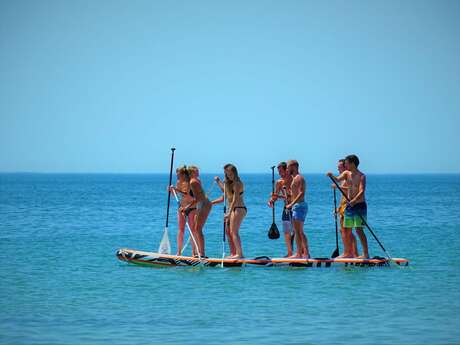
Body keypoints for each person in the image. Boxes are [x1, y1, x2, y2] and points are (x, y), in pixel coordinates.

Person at [327, 154, 369, 258]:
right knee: (346, 229)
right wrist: (331, 175)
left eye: (346, 163)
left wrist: (354, 200)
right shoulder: (346, 173)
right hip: (350, 206)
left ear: (352, 163)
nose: (345, 165)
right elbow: (337, 179)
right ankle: (347, 253)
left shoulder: (361, 176)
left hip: (359, 205)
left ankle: (366, 254)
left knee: (359, 230)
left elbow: (362, 191)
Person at [212, 164, 246, 258]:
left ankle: (240, 254)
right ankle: (233, 253)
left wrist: (228, 213)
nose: (228, 176)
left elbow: (235, 200)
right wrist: (219, 181)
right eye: (227, 174)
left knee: (234, 232)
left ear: (234, 173)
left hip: (238, 208)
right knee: (229, 232)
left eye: (230, 174)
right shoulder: (229, 183)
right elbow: (225, 193)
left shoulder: (237, 183)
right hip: (232, 209)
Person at [180, 165, 211, 257]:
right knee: (196, 229)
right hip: (202, 204)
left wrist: (187, 208)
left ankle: (202, 253)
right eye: (195, 171)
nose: (198, 172)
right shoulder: (195, 181)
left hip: (204, 205)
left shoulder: (193, 182)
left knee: (198, 229)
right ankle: (199, 252)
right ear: (191, 173)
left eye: (198, 170)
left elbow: (198, 198)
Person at [268, 162, 294, 257]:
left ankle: (302, 252)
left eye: (281, 171)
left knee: (296, 231)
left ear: (286, 170)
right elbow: (275, 196)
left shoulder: (293, 179)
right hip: (286, 208)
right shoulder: (279, 182)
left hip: (294, 207)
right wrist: (271, 200)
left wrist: (278, 196)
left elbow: (293, 195)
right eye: (278, 171)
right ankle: (290, 252)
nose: (279, 173)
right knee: (286, 231)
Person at [169, 166, 197, 256]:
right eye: (176, 174)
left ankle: (194, 252)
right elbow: (176, 195)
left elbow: (187, 195)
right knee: (181, 230)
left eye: (178, 174)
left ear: (183, 174)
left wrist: (176, 189)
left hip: (192, 208)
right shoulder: (178, 182)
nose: (176, 176)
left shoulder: (190, 182)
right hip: (181, 208)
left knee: (192, 230)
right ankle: (179, 252)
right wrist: (171, 191)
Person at [285, 160, 310, 258]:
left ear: (293, 167)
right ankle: (305, 253)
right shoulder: (294, 178)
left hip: (299, 206)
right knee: (299, 231)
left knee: (297, 231)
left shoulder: (299, 178)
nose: (287, 169)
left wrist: (291, 203)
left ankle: (299, 253)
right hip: (298, 206)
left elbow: (301, 193)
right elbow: (295, 194)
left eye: (288, 167)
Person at [334, 159, 359, 257]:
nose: (338, 168)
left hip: (347, 206)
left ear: (344, 167)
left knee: (346, 231)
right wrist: (338, 208)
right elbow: (343, 196)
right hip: (343, 206)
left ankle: (348, 252)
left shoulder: (346, 179)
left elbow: (349, 189)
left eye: (340, 166)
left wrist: (337, 187)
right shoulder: (344, 179)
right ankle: (353, 252)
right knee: (344, 231)